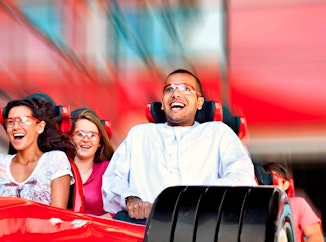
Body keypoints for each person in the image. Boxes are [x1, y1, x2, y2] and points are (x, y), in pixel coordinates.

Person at [102, 69, 256, 222]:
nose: (176, 94)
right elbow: (113, 179)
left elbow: (242, 177)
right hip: (145, 227)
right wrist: (130, 199)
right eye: (169, 89)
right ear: (162, 103)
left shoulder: (218, 132)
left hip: (201, 226)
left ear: (200, 102)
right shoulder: (140, 134)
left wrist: (199, 198)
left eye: (186, 89)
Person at [0, 97, 76, 208]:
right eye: (10, 122)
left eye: (24, 120)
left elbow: (58, 216)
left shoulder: (55, 160)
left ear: (40, 127)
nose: (15, 127)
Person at [263, 162, 326, 242]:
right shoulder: (257, 208)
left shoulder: (297, 204)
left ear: (286, 184)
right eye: (265, 179)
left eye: (272, 179)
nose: (269, 184)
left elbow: (317, 240)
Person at [69, 109, 115, 216]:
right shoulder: (60, 166)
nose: (86, 139)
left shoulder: (108, 169)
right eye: (79, 134)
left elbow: (119, 208)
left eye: (92, 135)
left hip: (97, 230)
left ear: (100, 142)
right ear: (70, 137)